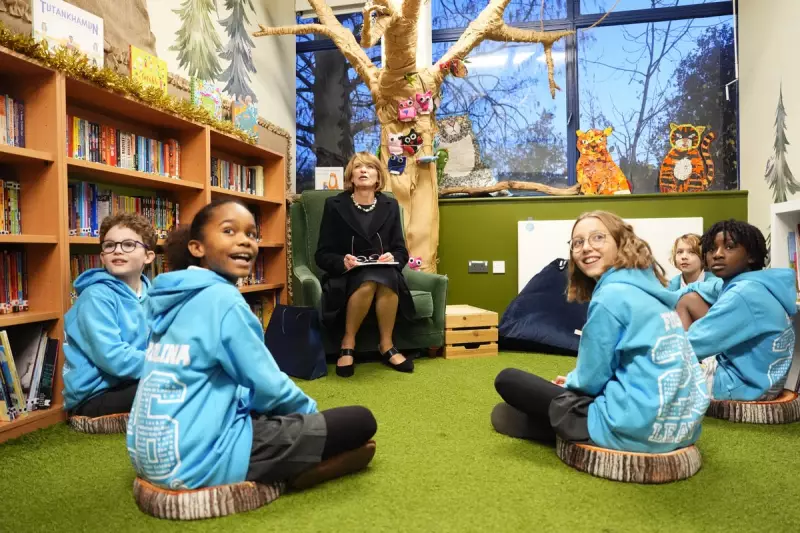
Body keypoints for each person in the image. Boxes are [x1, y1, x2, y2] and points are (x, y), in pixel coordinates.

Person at [127, 199, 377, 491]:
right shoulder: (224, 301)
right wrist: (311, 416)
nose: (245, 241)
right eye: (229, 231)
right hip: (197, 462)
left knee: (259, 407)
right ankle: (288, 474)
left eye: (251, 234)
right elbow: (269, 386)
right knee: (361, 421)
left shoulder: (164, 298)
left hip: (148, 456)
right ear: (197, 247)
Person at [491, 211, 709, 452]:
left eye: (597, 237)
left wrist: (571, 384)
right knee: (519, 408)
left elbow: (590, 380)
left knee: (508, 380)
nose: (586, 247)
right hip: (682, 427)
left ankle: (572, 427)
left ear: (621, 243)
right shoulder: (651, 289)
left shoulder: (610, 297)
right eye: (578, 242)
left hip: (636, 426)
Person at [315, 152, 415, 377]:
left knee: (385, 278)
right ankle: (348, 342)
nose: (363, 170)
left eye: (369, 167)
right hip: (347, 274)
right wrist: (342, 261)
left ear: (378, 176)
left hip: (384, 271)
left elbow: (401, 251)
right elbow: (321, 254)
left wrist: (392, 256)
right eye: (358, 167)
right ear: (351, 176)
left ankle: (386, 344)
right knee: (369, 281)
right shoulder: (334, 205)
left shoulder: (390, 205)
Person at [675, 219, 796, 401]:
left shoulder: (742, 294)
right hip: (765, 379)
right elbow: (698, 288)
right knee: (688, 299)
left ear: (751, 256)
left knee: (651, 375)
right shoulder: (753, 282)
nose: (717, 254)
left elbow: (689, 345)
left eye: (729, 247)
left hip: (742, 385)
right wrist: (661, 297)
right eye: (711, 249)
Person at [62, 213, 156, 418]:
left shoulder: (153, 295)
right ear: (103, 257)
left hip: (134, 380)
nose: (118, 250)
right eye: (110, 245)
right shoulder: (96, 296)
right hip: (95, 394)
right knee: (176, 389)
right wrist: (166, 364)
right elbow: (113, 358)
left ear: (148, 256)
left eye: (128, 244)